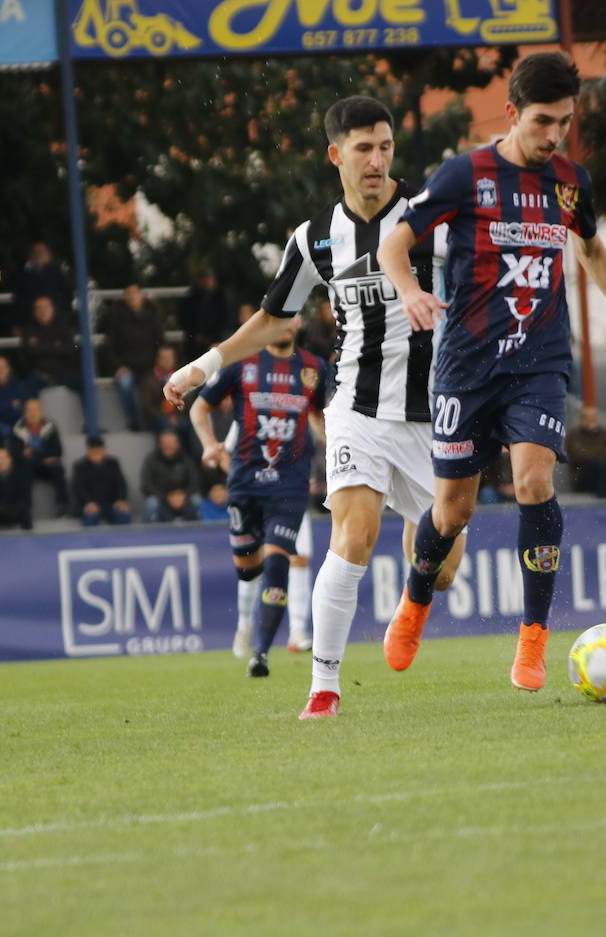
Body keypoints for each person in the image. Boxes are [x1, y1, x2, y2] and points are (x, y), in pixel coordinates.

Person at [377, 53, 606, 691]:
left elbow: (590, 247)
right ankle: (416, 599)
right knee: (452, 511)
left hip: (538, 361)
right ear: (512, 114)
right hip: (465, 365)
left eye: (564, 122)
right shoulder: (465, 175)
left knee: (535, 482)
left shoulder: (570, 182)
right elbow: (394, 240)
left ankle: (532, 641)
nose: (555, 135)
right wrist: (407, 291)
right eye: (543, 121)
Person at [167, 95, 463, 715]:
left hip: (435, 414)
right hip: (354, 405)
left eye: (385, 146)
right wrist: (203, 367)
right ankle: (323, 690)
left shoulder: (431, 219)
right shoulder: (314, 240)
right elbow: (272, 320)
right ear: (336, 155)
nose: (377, 159)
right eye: (363, 148)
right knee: (353, 535)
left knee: (441, 572)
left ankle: (415, 587)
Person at [185, 311, 326, 678]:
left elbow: (324, 415)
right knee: (248, 569)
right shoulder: (242, 363)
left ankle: (261, 654)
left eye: (292, 317)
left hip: (289, 486)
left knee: (279, 560)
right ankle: (245, 622)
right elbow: (200, 405)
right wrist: (210, 444)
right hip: (245, 483)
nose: (285, 322)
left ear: (298, 325)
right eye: (280, 315)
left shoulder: (314, 368)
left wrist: (335, 443)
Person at [101, 283, 163, 431]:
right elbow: (109, 346)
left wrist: (157, 366)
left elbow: (161, 343)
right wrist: (118, 367)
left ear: (142, 295)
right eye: (128, 293)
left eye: (135, 293)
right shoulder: (117, 319)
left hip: (149, 367)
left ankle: (155, 423)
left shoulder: (152, 316)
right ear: (125, 298)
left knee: (152, 387)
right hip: (127, 367)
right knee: (124, 385)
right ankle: (134, 423)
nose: (132, 297)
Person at [12, 397, 69, 516]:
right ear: (24, 412)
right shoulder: (17, 429)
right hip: (27, 467)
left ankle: (63, 505)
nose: (33, 413)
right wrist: (42, 455)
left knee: (57, 468)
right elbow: (15, 453)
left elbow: (57, 451)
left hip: (46, 466)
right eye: (29, 410)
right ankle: (25, 508)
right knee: (24, 468)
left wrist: (32, 454)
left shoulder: (51, 427)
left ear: (41, 411)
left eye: (36, 410)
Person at [564, 404, 606, 497]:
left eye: (593, 417)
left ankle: (603, 492)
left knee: (601, 476)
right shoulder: (573, 435)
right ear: (581, 419)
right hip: (582, 478)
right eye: (586, 417)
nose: (590, 420)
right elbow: (576, 456)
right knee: (596, 464)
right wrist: (600, 452)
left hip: (603, 477)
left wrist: (589, 452)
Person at [20, 295, 79, 393]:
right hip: (39, 374)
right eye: (39, 308)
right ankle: (32, 409)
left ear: (52, 309)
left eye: (46, 307)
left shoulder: (64, 327)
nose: (42, 311)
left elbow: (70, 349)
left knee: (84, 382)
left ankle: (91, 408)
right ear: (34, 311)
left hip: (63, 372)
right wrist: (54, 346)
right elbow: (28, 352)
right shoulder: (28, 330)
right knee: (28, 386)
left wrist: (41, 347)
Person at [140, 430, 199, 522]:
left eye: (172, 442)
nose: (169, 446)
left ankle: (198, 532)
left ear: (178, 444)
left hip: (183, 496)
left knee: (197, 500)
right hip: (161, 496)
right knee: (151, 503)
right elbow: (147, 485)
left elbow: (194, 481)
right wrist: (167, 497)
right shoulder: (151, 460)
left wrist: (184, 495)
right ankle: (150, 533)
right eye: (166, 443)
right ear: (159, 444)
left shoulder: (186, 459)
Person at [71, 436, 132, 526]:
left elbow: (121, 484)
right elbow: (78, 488)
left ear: (104, 450)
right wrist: (88, 502)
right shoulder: (80, 466)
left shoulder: (113, 463)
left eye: (99, 450)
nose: (97, 454)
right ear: (88, 451)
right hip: (89, 503)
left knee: (123, 516)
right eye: (93, 451)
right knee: (90, 518)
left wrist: (120, 499)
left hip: (111, 504)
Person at [14, 241, 72, 328]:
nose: (38, 255)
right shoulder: (23, 276)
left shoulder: (57, 274)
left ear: (48, 254)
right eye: (36, 252)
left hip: (56, 322)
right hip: (30, 324)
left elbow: (66, 297)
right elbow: (19, 301)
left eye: (41, 252)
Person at [179, 267, 228, 360]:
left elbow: (224, 320)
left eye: (209, 278)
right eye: (204, 279)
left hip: (214, 341)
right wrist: (195, 335)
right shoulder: (190, 297)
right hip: (194, 343)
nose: (207, 281)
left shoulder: (220, 298)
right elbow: (184, 319)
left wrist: (212, 336)